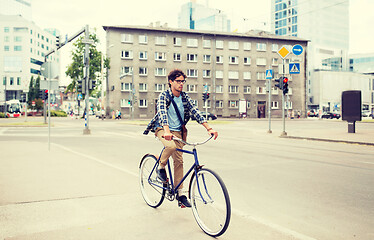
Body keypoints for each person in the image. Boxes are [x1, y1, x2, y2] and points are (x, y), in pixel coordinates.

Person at [143, 69, 218, 208]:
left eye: (183, 81)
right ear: (170, 82)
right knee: (170, 146)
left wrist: (209, 128)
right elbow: (162, 112)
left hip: (178, 132)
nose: (181, 84)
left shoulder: (184, 97)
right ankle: (160, 167)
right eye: (178, 81)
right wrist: (166, 130)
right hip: (162, 128)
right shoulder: (164, 95)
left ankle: (180, 194)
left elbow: (195, 112)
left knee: (179, 161)